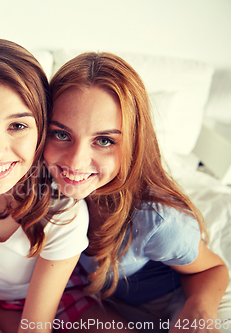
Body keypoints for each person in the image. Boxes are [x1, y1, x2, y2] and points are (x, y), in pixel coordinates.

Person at [44, 52, 229, 332]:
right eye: (61, 134)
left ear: (133, 144)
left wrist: (198, 308)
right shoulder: (41, 185)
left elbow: (212, 269)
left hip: (157, 309)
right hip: (93, 304)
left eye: (104, 140)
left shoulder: (157, 221)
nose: (75, 161)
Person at [0, 38, 91, 333]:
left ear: (42, 129)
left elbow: (36, 324)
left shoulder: (63, 212)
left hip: (57, 298)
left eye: (17, 126)